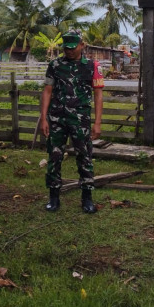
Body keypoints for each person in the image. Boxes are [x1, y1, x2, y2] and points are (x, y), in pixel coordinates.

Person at [38, 30, 104, 213]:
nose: (69, 51)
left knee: (84, 157)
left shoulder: (92, 66)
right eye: (66, 48)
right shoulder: (55, 65)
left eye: (73, 47)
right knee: (55, 156)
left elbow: (98, 94)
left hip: (80, 120)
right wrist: (44, 118)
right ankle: (54, 197)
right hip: (57, 119)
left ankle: (87, 198)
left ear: (82, 45)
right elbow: (47, 91)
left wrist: (97, 122)